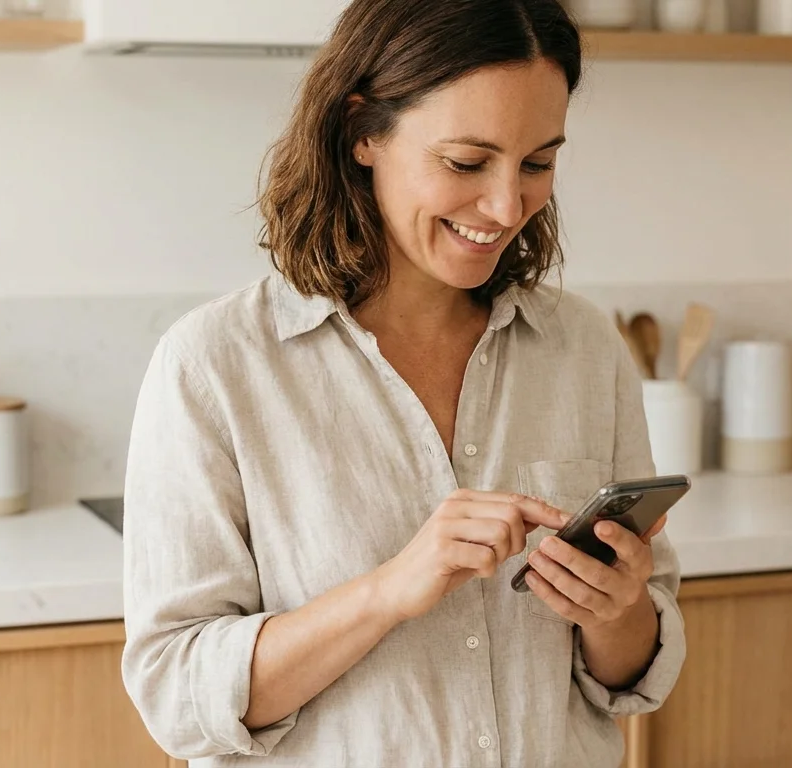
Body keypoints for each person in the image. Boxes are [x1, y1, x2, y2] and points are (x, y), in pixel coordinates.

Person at [120, 0, 686, 764]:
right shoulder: (215, 366)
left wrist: (617, 613)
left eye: (538, 162)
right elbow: (175, 694)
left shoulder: (581, 347)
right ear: (363, 133)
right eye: (465, 162)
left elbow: (633, 670)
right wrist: (388, 592)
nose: (504, 204)